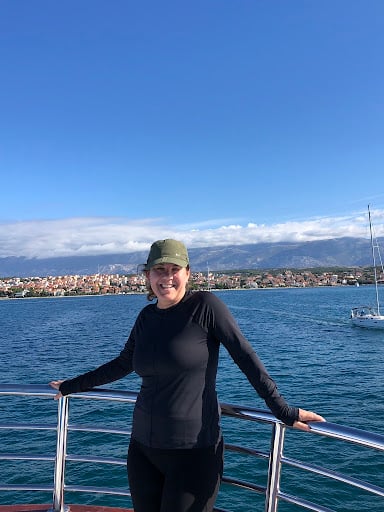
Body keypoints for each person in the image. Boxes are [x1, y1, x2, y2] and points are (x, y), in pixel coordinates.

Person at [50, 238, 325, 512]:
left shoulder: (205, 306)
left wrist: (281, 409)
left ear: (188, 273)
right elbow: (124, 363)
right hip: (142, 450)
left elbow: (245, 357)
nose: (167, 277)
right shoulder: (146, 317)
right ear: (147, 275)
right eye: (159, 270)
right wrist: (72, 385)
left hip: (194, 451)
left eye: (174, 269)